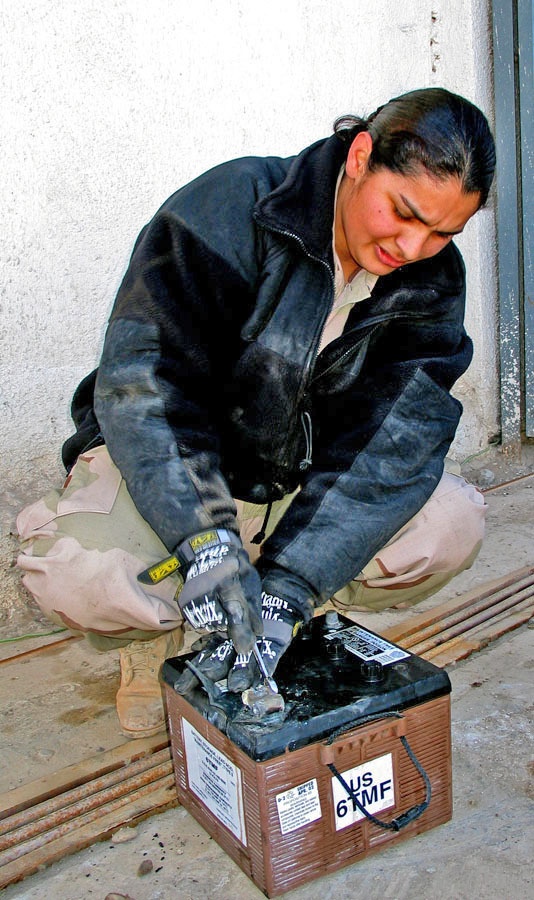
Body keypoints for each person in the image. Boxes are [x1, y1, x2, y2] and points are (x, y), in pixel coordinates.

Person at [17, 87, 496, 739]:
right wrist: (205, 538)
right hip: (180, 473)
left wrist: (290, 586)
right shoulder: (234, 207)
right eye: (403, 212)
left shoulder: (432, 281)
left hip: (297, 489)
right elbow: (144, 384)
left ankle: (273, 612)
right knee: (77, 575)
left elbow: (394, 449)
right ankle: (161, 635)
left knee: (450, 524)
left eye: (444, 232)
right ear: (360, 156)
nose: (413, 246)